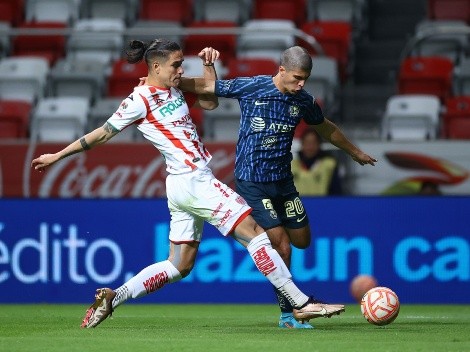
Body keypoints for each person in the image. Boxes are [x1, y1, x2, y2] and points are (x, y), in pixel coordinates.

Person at [31, 40, 345, 329]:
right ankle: (299, 303)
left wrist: (208, 66)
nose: (181, 70)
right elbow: (101, 133)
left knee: (179, 265)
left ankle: (114, 297)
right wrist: (58, 155)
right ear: (155, 67)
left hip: (182, 186)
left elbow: (210, 104)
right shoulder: (139, 99)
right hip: (192, 180)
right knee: (256, 234)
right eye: (176, 65)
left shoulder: (176, 90)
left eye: (182, 64)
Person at [180, 46, 377, 328]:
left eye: (305, 78)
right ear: (281, 70)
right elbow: (207, 86)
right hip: (252, 182)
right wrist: (167, 81)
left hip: (284, 183)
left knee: (301, 241)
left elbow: (324, 128)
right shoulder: (253, 87)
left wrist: (354, 152)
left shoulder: (303, 100)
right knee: (282, 246)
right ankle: (289, 314)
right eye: (297, 77)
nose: (302, 84)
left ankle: (285, 293)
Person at [291, 127, 343, 196]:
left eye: (313, 142)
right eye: (307, 142)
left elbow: (336, 192)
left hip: (322, 205)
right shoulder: (291, 165)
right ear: (302, 144)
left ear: (319, 144)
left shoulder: (329, 164)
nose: (310, 146)